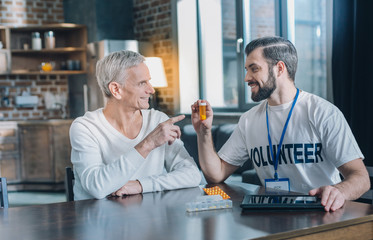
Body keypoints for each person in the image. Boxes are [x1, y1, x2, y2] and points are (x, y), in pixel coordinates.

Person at [191, 36, 370, 211]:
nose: (246, 78)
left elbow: (361, 178)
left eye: (254, 69)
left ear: (279, 68)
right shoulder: (248, 119)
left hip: (318, 215)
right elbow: (216, 175)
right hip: (271, 215)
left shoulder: (322, 112)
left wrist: (339, 191)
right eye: (246, 69)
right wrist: (203, 132)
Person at [70, 50, 201, 200]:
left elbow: (192, 174)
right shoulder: (85, 127)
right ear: (116, 90)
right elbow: (97, 187)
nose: (151, 90)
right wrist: (148, 143)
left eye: (149, 81)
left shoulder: (158, 120)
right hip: (98, 219)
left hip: (146, 218)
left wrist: (141, 185)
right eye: (142, 83)